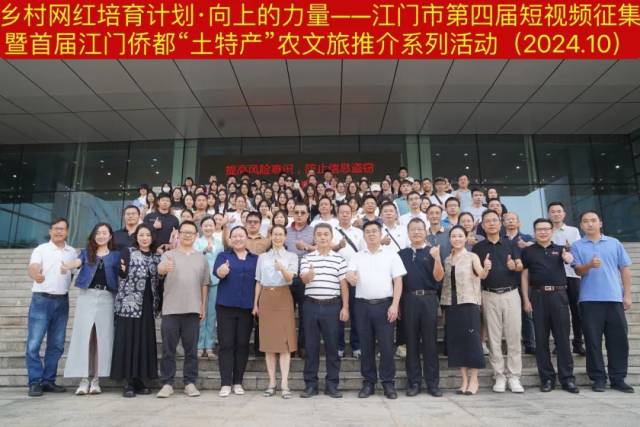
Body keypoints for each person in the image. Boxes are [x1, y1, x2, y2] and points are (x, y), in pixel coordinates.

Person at [571, 210, 634, 393]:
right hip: (589, 300)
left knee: (618, 341)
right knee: (592, 342)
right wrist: (590, 265)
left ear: (600, 223)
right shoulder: (577, 246)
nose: (590, 224)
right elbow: (578, 271)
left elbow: (624, 269)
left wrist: (627, 295)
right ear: (581, 225)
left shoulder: (614, 243)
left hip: (614, 298)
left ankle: (618, 378)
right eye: (585, 221)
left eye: (593, 220)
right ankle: (598, 378)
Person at [346, 221, 406, 400]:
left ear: (380, 234)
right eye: (368, 232)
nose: (371, 234)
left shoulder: (391, 255)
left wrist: (395, 304)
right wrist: (350, 277)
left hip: (385, 305)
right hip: (362, 306)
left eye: (374, 231)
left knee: (387, 346)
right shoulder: (357, 256)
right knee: (366, 346)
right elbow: (350, 275)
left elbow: (398, 281)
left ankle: (388, 383)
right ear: (364, 236)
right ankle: (369, 382)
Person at [521, 219, 579, 394]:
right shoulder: (528, 251)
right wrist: (526, 299)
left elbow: (572, 263)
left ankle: (567, 379)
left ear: (552, 231)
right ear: (534, 231)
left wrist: (569, 258)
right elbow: (525, 277)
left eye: (546, 229)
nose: (543, 232)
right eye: (539, 229)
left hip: (559, 296)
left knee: (562, 339)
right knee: (541, 340)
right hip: (538, 296)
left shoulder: (561, 249)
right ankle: (547, 379)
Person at [63, 223, 120, 395]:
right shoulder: (86, 253)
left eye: (104, 233)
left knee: (102, 338)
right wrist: (68, 265)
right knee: (84, 337)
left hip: (107, 298)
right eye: (98, 233)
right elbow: (78, 262)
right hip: (87, 296)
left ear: (110, 236)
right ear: (94, 236)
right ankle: (83, 380)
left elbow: (122, 272)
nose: (101, 235)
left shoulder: (116, 255)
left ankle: (96, 380)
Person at [472, 210, 525, 393]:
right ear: (483, 226)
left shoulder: (511, 244)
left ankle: (514, 376)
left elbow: (520, 266)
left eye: (495, 220)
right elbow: (477, 275)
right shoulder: (478, 248)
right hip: (489, 295)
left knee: (513, 336)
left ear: (500, 223)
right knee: (493, 338)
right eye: (488, 221)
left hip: (511, 294)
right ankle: (499, 375)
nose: (492, 223)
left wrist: (514, 266)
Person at [156, 220, 210, 398]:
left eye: (191, 233)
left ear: (196, 236)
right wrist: (163, 268)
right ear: (178, 234)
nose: (187, 235)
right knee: (168, 349)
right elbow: (160, 270)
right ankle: (167, 383)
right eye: (184, 232)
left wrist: (203, 305)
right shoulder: (169, 255)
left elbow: (204, 284)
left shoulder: (201, 258)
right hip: (171, 308)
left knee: (191, 350)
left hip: (193, 309)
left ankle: (190, 382)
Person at [25, 218, 77, 397]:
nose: (59, 231)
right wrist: (36, 275)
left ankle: (48, 380)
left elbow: (75, 271)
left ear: (67, 232)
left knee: (56, 344)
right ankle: (35, 381)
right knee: (34, 343)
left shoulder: (72, 252)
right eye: (55, 228)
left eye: (62, 229)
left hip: (62, 301)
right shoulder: (41, 249)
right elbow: (33, 267)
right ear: (50, 231)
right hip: (41, 300)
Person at [299, 224, 350, 398]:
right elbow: (304, 279)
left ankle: (332, 385)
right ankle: (310, 385)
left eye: (326, 234)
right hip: (311, 305)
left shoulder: (339, 259)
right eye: (319, 234)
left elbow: (343, 285)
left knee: (333, 347)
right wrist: (309, 275)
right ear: (314, 238)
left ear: (331, 237)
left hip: (332, 306)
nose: (322, 237)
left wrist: (345, 307)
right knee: (311, 347)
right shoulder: (307, 258)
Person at [111, 224, 162, 397]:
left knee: (143, 341)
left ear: (152, 237)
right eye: (141, 235)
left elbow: (159, 280)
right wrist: (122, 270)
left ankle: (140, 379)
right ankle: (128, 381)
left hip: (148, 304)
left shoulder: (156, 256)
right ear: (136, 237)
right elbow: (121, 273)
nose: (144, 238)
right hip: (129, 304)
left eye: (148, 235)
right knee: (128, 341)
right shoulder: (128, 252)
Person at [398, 218, 444, 397]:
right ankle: (414, 382)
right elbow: (398, 281)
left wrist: (437, 258)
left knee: (430, 343)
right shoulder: (401, 254)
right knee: (411, 342)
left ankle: (433, 383)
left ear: (425, 232)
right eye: (413, 229)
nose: (416, 232)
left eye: (419, 229)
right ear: (408, 233)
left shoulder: (432, 251)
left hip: (429, 299)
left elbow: (439, 278)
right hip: (409, 300)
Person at [441, 226, 489, 395]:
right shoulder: (447, 259)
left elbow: (481, 274)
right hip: (451, 303)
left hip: (469, 302)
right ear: (450, 239)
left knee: (472, 341)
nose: (457, 239)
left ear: (466, 238)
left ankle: (474, 379)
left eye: (460, 236)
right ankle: (464, 381)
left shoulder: (472, 256)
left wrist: (487, 268)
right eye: (454, 236)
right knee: (457, 342)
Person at [252, 225, 299, 399]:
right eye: (275, 234)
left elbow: (290, 278)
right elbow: (258, 281)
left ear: (285, 237)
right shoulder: (262, 257)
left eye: (281, 234)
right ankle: (272, 383)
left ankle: (285, 383)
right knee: (269, 343)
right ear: (270, 236)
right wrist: (255, 304)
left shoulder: (292, 256)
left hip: (283, 296)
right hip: (266, 297)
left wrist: (282, 268)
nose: (278, 237)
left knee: (285, 343)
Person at [213, 226, 259, 397]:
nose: (238, 239)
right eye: (235, 236)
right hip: (225, 307)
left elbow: (259, 281)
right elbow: (217, 273)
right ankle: (225, 383)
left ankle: (238, 382)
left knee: (242, 345)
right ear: (230, 239)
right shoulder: (223, 256)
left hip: (246, 308)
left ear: (246, 238)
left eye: (241, 236)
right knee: (226, 344)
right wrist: (222, 271)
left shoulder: (255, 259)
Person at [548, 202, 586, 356]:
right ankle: (559, 344)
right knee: (557, 313)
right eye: (553, 212)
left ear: (564, 214)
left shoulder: (573, 230)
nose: (556, 214)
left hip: (572, 275)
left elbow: (577, 250)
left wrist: (568, 249)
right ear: (549, 214)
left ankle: (578, 343)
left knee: (577, 311)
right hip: (554, 277)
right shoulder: (546, 231)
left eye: (559, 211)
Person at [332, 203, 365, 359]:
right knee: (338, 313)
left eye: (347, 212)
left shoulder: (359, 232)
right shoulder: (332, 231)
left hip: (355, 277)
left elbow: (364, 253)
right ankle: (339, 346)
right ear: (337, 214)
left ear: (352, 214)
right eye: (342, 212)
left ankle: (356, 346)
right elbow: (326, 250)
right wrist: (338, 246)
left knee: (356, 313)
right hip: (335, 278)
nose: (345, 215)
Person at [285, 202, 315, 357]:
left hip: (305, 278)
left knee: (305, 314)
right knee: (287, 314)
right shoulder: (285, 231)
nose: (299, 215)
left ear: (308, 215)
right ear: (292, 213)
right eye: (296, 212)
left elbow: (322, 248)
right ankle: (289, 346)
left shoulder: (313, 231)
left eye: (303, 212)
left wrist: (307, 247)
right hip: (288, 277)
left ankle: (302, 346)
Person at [503, 212, 536, 354]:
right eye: (507, 219)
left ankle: (530, 344)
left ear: (519, 222)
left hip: (524, 280)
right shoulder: (500, 239)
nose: (510, 221)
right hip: (505, 280)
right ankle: (511, 345)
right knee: (508, 315)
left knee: (526, 313)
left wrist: (527, 245)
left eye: (513, 219)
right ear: (503, 223)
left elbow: (537, 247)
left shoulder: (526, 238)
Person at [193, 216, 224, 359]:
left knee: (212, 315)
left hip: (216, 281)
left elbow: (221, 260)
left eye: (211, 225)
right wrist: (204, 251)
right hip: (200, 282)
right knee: (201, 314)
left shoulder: (219, 243)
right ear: (201, 227)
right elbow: (193, 258)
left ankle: (209, 346)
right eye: (205, 225)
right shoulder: (197, 242)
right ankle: (199, 346)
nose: (208, 227)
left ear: (215, 226)